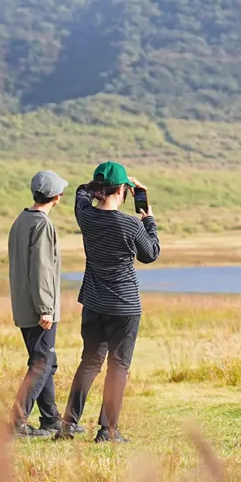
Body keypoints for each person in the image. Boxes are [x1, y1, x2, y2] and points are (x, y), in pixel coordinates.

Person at [62, 161, 160, 443]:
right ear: (123, 191)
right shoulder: (129, 224)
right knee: (118, 366)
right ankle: (107, 430)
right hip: (124, 306)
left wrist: (107, 182)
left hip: (93, 302)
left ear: (98, 189)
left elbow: (81, 191)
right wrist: (149, 220)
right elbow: (151, 253)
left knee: (89, 362)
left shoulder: (86, 216)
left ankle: (68, 424)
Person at [7, 169, 67, 438]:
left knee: (45, 361)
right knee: (42, 363)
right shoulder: (42, 225)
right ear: (56, 197)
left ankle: (52, 420)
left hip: (23, 305)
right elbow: (42, 269)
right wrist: (46, 308)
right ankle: (16, 423)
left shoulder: (21, 220)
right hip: (39, 308)